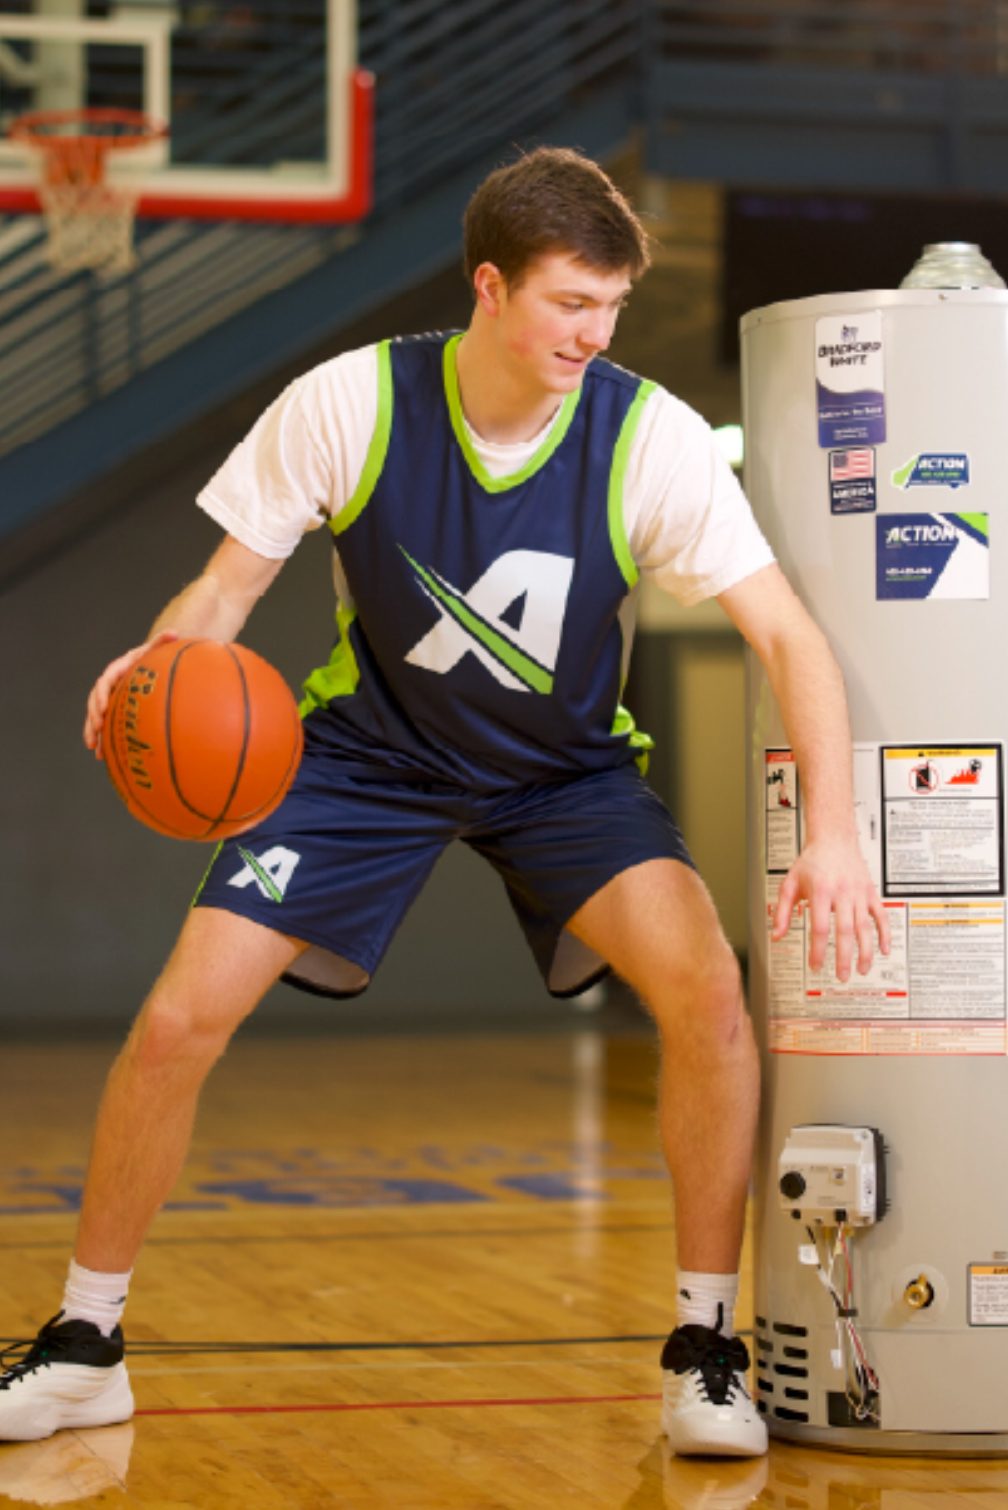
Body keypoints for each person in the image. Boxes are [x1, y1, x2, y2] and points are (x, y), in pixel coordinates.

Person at [0, 147, 887, 1458]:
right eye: (570, 303)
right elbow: (228, 585)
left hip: (565, 771)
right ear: (489, 286)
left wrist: (836, 833)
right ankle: (86, 1344)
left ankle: (705, 1348)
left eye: (611, 307)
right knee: (181, 1016)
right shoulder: (350, 403)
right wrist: (160, 664)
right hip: (369, 757)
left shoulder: (647, 437)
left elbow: (788, 637)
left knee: (707, 993)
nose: (595, 334)